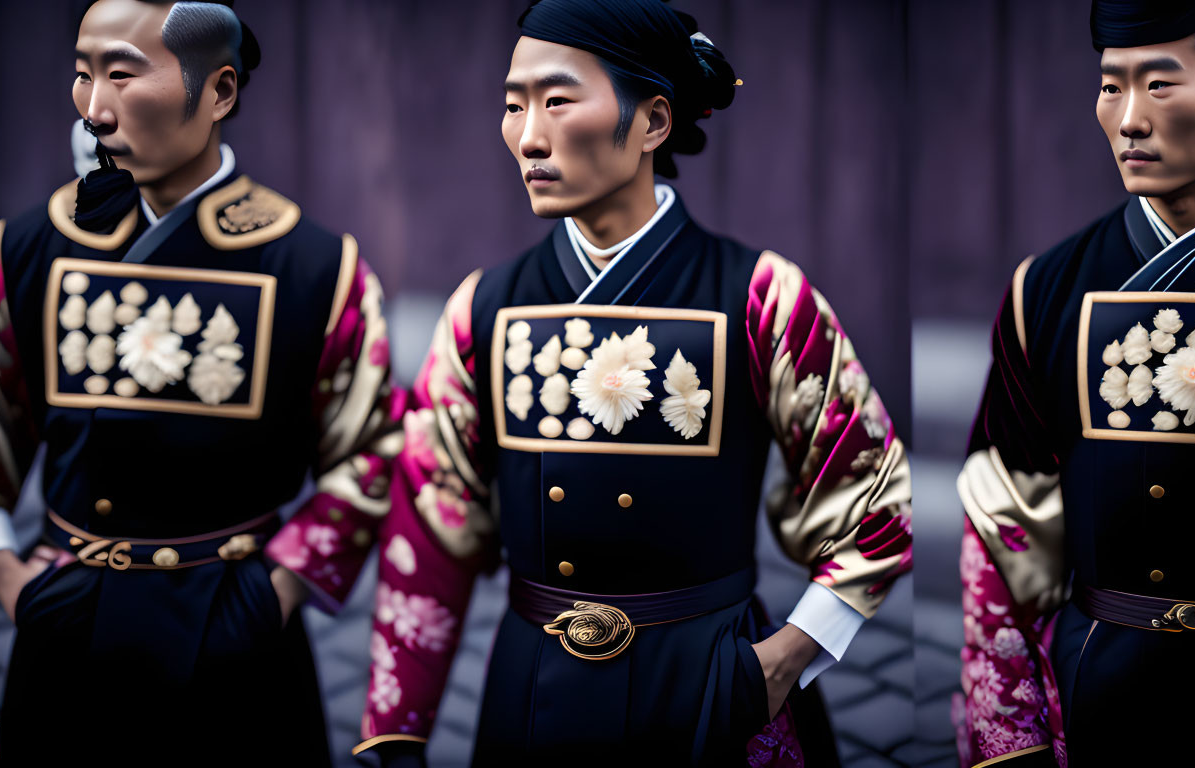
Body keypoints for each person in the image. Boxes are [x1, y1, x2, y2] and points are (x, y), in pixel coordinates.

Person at [354, 1, 912, 765]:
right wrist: (397, 730)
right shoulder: (481, 306)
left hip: (714, 678)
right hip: (531, 683)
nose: (527, 137)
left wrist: (785, 659)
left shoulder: (762, 294)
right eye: (512, 105)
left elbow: (872, 493)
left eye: (555, 100)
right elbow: (430, 525)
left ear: (652, 122)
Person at [0, 0, 399, 761]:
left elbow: (370, 450)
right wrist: (9, 577)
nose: (94, 109)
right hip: (66, 620)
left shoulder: (315, 267)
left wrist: (278, 591)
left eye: (122, 76)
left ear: (220, 92)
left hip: (239, 625)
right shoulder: (25, 249)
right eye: (81, 75)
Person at [956, 1, 1195, 766]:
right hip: (1098, 678)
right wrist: (1013, 732)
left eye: (1159, 86)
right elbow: (1001, 522)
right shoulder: (1047, 288)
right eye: (1109, 86)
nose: (1127, 119)